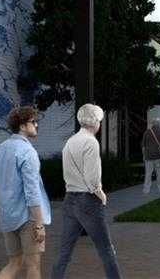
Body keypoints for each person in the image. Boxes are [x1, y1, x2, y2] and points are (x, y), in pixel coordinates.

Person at [52, 104, 122, 279]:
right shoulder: (91, 142)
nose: (100, 123)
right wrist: (101, 194)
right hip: (88, 200)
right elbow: (92, 178)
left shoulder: (70, 141)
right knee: (106, 248)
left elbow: (66, 172)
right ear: (94, 122)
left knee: (65, 250)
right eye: (99, 120)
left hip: (70, 199)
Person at [0, 106, 51, 279]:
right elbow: (32, 191)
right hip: (28, 218)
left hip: (7, 216)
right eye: (33, 122)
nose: (36, 125)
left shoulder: (0, 150)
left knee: (14, 263)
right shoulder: (27, 152)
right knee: (33, 265)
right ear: (23, 125)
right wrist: (39, 224)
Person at [141, 118, 160, 194]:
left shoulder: (146, 133)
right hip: (159, 157)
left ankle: (146, 190)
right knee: (159, 174)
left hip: (148, 157)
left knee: (148, 174)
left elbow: (143, 147)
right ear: (159, 123)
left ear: (152, 124)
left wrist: (144, 156)